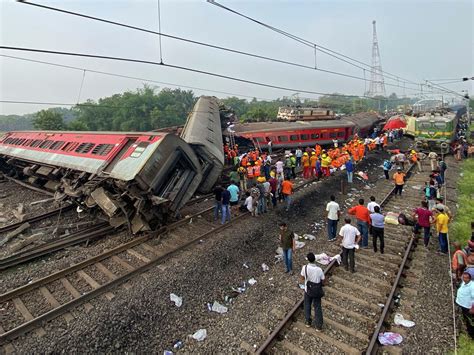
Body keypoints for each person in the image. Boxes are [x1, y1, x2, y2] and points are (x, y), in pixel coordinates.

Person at [300, 252, 325, 330]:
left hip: (308, 290)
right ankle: (318, 326)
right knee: (317, 307)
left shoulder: (305, 267)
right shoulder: (319, 270)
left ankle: (308, 321)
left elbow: (302, 278)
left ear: (308, 260)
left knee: (307, 305)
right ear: (314, 259)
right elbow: (323, 281)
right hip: (317, 291)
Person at [455, 272, 474, 339]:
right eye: (464, 277)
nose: (464, 279)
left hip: (467, 307)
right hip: (461, 304)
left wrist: (472, 308)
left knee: (469, 321)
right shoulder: (463, 282)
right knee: (464, 319)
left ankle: (472, 335)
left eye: (466, 278)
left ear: (470, 278)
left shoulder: (472, 286)